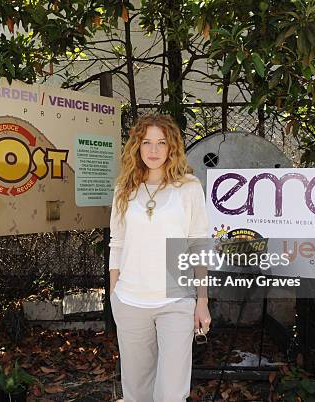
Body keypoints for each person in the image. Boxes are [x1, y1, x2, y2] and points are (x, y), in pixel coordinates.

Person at [108, 114, 212, 402]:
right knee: (137, 392)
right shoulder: (124, 189)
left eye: (161, 143)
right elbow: (116, 243)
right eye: (147, 143)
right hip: (129, 300)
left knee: (171, 393)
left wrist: (201, 300)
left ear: (172, 148)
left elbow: (198, 246)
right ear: (137, 147)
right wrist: (115, 295)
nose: (153, 150)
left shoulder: (189, 187)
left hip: (175, 299)